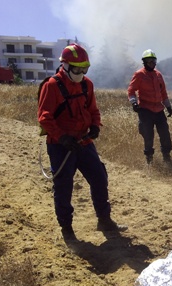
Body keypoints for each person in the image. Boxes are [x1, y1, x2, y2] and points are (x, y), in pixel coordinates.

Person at [38, 43, 125, 242]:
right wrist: (62, 137)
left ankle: (104, 220)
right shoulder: (51, 86)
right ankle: (67, 228)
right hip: (60, 145)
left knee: (99, 177)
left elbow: (93, 110)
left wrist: (95, 125)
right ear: (65, 65)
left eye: (84, 69)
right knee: (63, 186)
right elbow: (44, 117)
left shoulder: (87, 85)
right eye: (77, 69)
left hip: (84, 142)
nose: (81, 73)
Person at [127, 49, 172, 164]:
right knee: (148, 135)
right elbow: (131, 91)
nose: (152, 63)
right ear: (144, 62)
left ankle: (166, 157)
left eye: (154, 61)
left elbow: (163, 93)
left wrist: (168, 106)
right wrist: (134, 103)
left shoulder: (158, 75)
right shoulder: (139, 75)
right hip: (145, 110)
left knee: (165, 134)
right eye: (149, 61)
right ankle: (149, 160)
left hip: (159, 110)